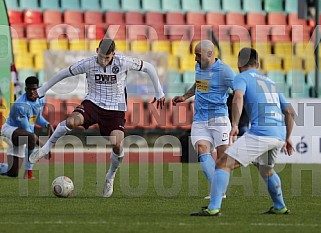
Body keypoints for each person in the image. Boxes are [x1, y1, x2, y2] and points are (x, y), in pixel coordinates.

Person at [28, 38, 166, 197]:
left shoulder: (123, 62)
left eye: (107, 58)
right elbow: (63, 73)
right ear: (96, 51)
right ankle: (45, 149)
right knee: (72, 121)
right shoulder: (88, 63)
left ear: (113, 54)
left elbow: (149, 67)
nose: (103, 60)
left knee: (117, 144)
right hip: (92, 103)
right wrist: (41, 90)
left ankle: (110, 176)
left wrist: (159, 93)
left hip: (115, 109)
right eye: (101, 56)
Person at [191, 47, 294, 216]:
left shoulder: (242, 78)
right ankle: (279, 206)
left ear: (239, 63)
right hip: (278, 134)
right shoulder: (271, 82)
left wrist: (235, 124)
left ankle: (213, 208)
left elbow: (238, 97)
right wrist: (288, 137)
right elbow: (289, 112)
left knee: (223, 164)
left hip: (261, 133)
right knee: (266, 170)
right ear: (258, 64)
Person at [172, 40, 235, 197]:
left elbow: (240, 91)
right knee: (202, 150)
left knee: (223, 157)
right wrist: (185, 96)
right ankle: (218, 190)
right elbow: (199, 84)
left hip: (219, 118)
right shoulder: (199, 67)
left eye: (198, 55)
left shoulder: (225, 71)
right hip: (200, 119)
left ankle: (251, 159)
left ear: (209, 54)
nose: (195, 59)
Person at [0, 76, 54, 179]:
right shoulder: (21, 105)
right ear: (25, 89)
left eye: (34, 89)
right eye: (29, 89)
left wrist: (47, 124)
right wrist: (43, 147)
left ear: (38, 89)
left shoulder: (41, 99)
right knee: (31, 138)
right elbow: (28, 131)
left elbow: (36, 118)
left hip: (23, 134)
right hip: (10, 130)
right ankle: (28, 174)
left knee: (13, 173)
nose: (31, 91)